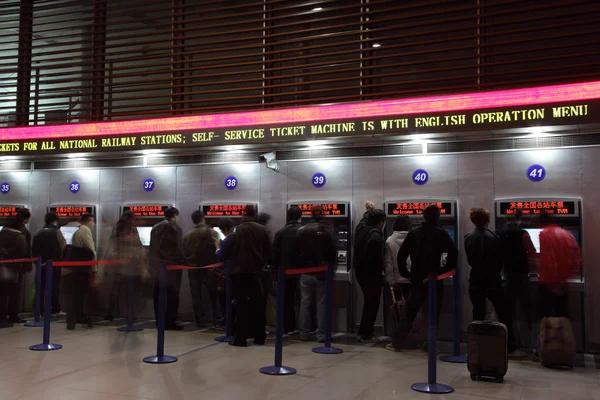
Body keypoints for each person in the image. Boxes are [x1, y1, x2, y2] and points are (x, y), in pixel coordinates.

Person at [391, 204, 458, 351]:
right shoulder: (442, 233)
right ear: (438, 217)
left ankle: (397, 343)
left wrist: (405, 273)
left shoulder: (414, 232)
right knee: (433, 313)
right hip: (434, 278)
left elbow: (402, 255)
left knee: (410, 312)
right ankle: (430, 344)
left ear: (424, 216)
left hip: (417, 278)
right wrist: (443, 269)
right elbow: (453, 253)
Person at [464, 208, 517, 355]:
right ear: (487, 220)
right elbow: (499, 261)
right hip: (492, 280)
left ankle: (476, 344)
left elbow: (470, 260)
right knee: (503, 312)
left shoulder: (468, 237)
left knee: (477, 313)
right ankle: (509, 344)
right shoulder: (493, 238)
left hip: (475, 279)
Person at [222, 205, 271, 347]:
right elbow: (269, 251)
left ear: (244, 214)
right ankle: (260, 337)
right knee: (259, 305)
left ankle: (240, 339)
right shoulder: (263, 230)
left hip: (240, 273)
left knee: (241, 305)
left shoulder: (238, 229)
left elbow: (225, 248)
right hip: (258, 273)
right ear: (254, 214)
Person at [296, 205, 337, 342]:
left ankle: (303, 333)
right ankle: (322, 335)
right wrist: (332, 269)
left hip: (305, 272)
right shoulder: (327, 230)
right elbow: (332, 252)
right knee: (322, 303)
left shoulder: (302, 230)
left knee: (305, 302)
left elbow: (297, 251)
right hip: (322, 272)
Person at [500, 211, 536, 349]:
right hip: (522, 274)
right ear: (518, 219)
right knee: (527, 308)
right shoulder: (523, 234)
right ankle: (530, 343)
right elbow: (532, 252)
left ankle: (510, 342)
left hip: (507, 274)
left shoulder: (499, 233)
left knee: (509, 309)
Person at [104, 211, 146, 321]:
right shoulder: (126, 229)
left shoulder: (117, 228)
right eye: (133, 219)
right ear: (128, 219)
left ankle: (111, 313)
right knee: (128, 290)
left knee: (117, 289)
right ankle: (129, 314)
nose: (134, 221)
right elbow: (136, 245)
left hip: (120, 264)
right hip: (127, 264)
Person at [538, 213, 581, 318]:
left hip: (550, 283)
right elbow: (577, 257)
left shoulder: (544, 234)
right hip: (564, 282)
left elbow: (548, 259)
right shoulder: (567, 233)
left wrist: (554, 285)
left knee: (547, 320)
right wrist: (568, 276)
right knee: (562, 317)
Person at [183, 210, 222, 328]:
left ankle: (200, 320)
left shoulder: (187, 235)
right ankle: (217, 319)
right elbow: (219, 249)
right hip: (210, 268)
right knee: (214, 293)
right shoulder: (213, 232)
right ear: (203, 218)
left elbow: (184, 252)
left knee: (196, 295)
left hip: (193, 268)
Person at [149, 207, 185, 331]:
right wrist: (184, 261)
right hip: (171, 267)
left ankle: (159, 322)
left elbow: (152, 248)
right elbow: (178, 248)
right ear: (175, 216)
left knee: (158, 295)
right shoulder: (175, 227)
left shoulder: (155, 227)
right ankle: (170, 322)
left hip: (157, 266)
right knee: (173, 295)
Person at [353, 208, 387, 343]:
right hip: (371, 275)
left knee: (369, 302)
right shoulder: (376, 237)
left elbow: (364, 219)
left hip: (360, 272)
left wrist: (369, 209)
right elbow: (376, 260)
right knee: (372, 303)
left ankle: (366, 331)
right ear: (380, 222)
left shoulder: (360, 229)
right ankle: (365, 333)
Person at [272, 206, 303, 335]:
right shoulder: (303, 231)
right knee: (303, 301)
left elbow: (274, 254)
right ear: (300, 217)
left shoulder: (280, 232)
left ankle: (287, 327)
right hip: (301, 273)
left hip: (283, 273)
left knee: (286, 301)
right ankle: (304, 328)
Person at [64, 214, 96, 330]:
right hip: (82, 268)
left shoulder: (65, 229)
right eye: (93, 221)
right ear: (87, 220)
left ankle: (71, 321)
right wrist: (94, 269)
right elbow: (91, 250)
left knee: (71, 295)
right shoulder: (84, 230)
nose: (94, 224)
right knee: (82, 295)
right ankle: (82, 317)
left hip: (69, 267)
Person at [32, 212, 67, 316]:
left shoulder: (38, 233)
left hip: (40, 265)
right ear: (54, 221)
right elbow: (63, 246)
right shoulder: (57, 232)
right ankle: (55, 309)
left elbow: (33, 249)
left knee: (40, 288)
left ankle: (39, 311)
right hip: (54, 265)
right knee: (54, 287)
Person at [0, 216, 29, 328]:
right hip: (13, 269)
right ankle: (12, 316)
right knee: (13, 294)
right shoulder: (19, 236)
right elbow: (24, 252)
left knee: (1, 293)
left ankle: (2, 317)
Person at [7, 208, 32, 324]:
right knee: (15, 292)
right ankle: (13, 315)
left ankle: (4, 314)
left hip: (4, 265)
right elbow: (25, 250)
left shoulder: (5, 230)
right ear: (26, 219)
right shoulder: (23, 232)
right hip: (17, 266)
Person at [384, 216, 412, 296]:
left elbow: (388, 263)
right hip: (412, 279)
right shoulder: (415, 238)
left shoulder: (390, 241)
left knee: (399, 306)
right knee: (413, 307)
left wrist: (391, 281)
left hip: (397, 280)